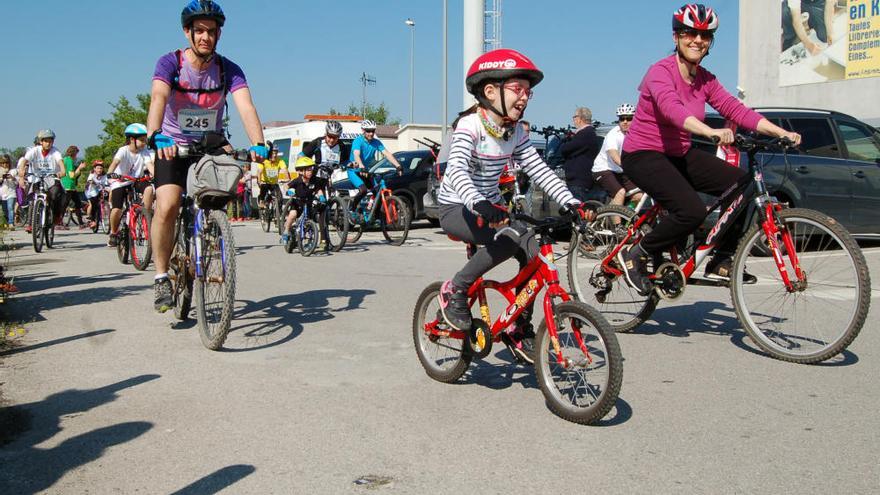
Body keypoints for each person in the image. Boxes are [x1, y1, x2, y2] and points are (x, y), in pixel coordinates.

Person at [616, 4, 802, 295]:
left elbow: (736, 109)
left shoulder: (706, 79)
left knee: (742, 186)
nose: (697, 40)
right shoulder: (659, 72)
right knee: (691, 210)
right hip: (643, 154)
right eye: (690, 33)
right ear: (677, 36)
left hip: (678, 154)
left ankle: (721, 259)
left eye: (705, 35)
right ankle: (636, 253)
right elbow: (672, 110)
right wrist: (710, 131)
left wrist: (782, 132)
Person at [436, 48, 589, 364]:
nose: (524, 97)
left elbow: (539, 169)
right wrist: (480, 203)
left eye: (527, 92)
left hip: (490, 207)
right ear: (490, 91)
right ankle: (456, 291)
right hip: (456, 207)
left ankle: (520, 327)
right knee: (508, 239)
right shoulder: (470, 126)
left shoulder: (515, 132)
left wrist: (572, 203)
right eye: (518, 89)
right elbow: (457, 170)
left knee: (533, 250)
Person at [148, 0, 269, 312]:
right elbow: (159, 96)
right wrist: (155, 134)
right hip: (171, 145)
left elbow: (246, 106)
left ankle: (211, 237)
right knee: (169, 204)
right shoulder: (170, 63)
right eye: (199, 30)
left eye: (211, 31)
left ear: (218, 34)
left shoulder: (229, 70)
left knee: (217, 196)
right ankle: (162, 275)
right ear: (188, 32)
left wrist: (259, 143)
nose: (205, 37)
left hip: (210, 146)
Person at [107, 124, 155, 247]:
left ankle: (144, 214)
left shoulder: (144, 152)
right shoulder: (123, 150)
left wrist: (155, 174)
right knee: (117, 209)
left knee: (149, 188)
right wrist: (110, 173)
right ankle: (113, 232)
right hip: (120, 180)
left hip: (136, 180)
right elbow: (115, 162)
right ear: (132, 139)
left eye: (145, 140)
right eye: (142, 140)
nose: (144, 143)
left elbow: (149, 165)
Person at [592, 103, 644, 212]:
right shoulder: (613, 135)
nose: (625, 122)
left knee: (639, 196)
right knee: (620, 193)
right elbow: (613, 154)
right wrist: (627, 166)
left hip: (620, 171)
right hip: (603, 169)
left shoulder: (636, 134)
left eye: (629, 119)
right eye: (621, 119)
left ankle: (624, 216)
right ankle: (617, 227)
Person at [347, 120, 403, 214]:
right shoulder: (358, 141)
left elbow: (387, 154)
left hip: (366, 171)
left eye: (373, 131)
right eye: (368, 131)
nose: (371, 133)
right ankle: (352, 208)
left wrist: (398, 166)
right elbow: (356, 154)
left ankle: (374, 214)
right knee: (363, 190)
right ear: (363, 130)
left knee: (377, 192)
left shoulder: (376, 142)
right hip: (354, 171)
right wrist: (361, 165)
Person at [18, 130, 65, 233]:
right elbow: (24, 161)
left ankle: (56, 215)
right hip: (37, 178)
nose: (48, 143)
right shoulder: (34, 151)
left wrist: (62, 171)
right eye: (46, 141)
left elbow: (60, 163)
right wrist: (21, 172)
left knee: (55, 195)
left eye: (50, 141)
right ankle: (33, 222)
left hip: (52, 178)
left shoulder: (55, 151)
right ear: (41, 142)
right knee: (32, 199)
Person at [560, 107, 601, 202]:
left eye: (574, 117)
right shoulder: (589, 133)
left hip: (579, 181)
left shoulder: (585, 133)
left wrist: (567, 141)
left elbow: (565, 149)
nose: (573, 120)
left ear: (580, 118)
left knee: (577, 211)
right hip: (581, 180)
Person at [280, 156, 320, 245]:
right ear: (301, 171)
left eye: (311, 169)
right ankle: (286, 231)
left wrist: (321, 196)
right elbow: (286, 186)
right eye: (308, 170)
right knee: (293, 214)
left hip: (308, 203)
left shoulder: (314, 180)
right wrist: (289, 190)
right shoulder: (297, 181)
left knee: (311, 220)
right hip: (297, 202)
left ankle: (310, 238)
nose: (310, 172)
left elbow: (318, 190)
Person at [60, 145, 86, 229]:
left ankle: (81, 223)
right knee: (65, 205)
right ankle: (59, 223)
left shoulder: (64, 159)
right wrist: (79, 168)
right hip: (69, 185)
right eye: (76, 154)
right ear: (74, 154)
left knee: (77, 203)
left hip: (67, 185)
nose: (76, 157)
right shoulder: (70, 161)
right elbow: (72, 175)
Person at [85, 161, 110, 229]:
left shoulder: (104, 175)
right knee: (93, 204)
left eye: (101, 168)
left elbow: (107, 183)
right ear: (94, 169)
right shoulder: (92, 174)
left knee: (107, 197)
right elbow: (90, 181)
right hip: (91, 191)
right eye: (98, 168)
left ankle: (107, 212)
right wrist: (94, 183)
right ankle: (92, 220)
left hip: (100, 190)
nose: (99, 170)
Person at [0, 155, 16, 228]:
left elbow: (17, 182)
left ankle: (11, 223)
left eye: (6, 163)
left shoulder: (13, 170)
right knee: (5, 210)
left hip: (11, 193)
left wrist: (12, 178)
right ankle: (7, 221)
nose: (4, 165)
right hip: (3, 194)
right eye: (2, 163)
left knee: (10, 208)